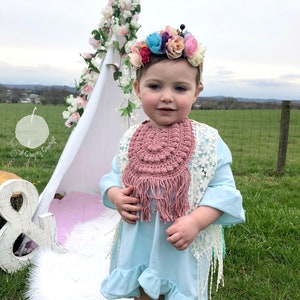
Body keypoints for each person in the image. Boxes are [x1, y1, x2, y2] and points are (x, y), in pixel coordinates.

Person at [99, 25, 245, 300]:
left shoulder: (207, 142)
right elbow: (113, 175)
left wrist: (196, 222)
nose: (167, 96)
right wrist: (115, 194)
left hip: (179, 245)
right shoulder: (131, 137)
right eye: (155, 86)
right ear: (137, 89)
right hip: (138, 239)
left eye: (180, 88)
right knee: (142, 289)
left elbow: (224, 192)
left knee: (177, 291)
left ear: (196, 92)